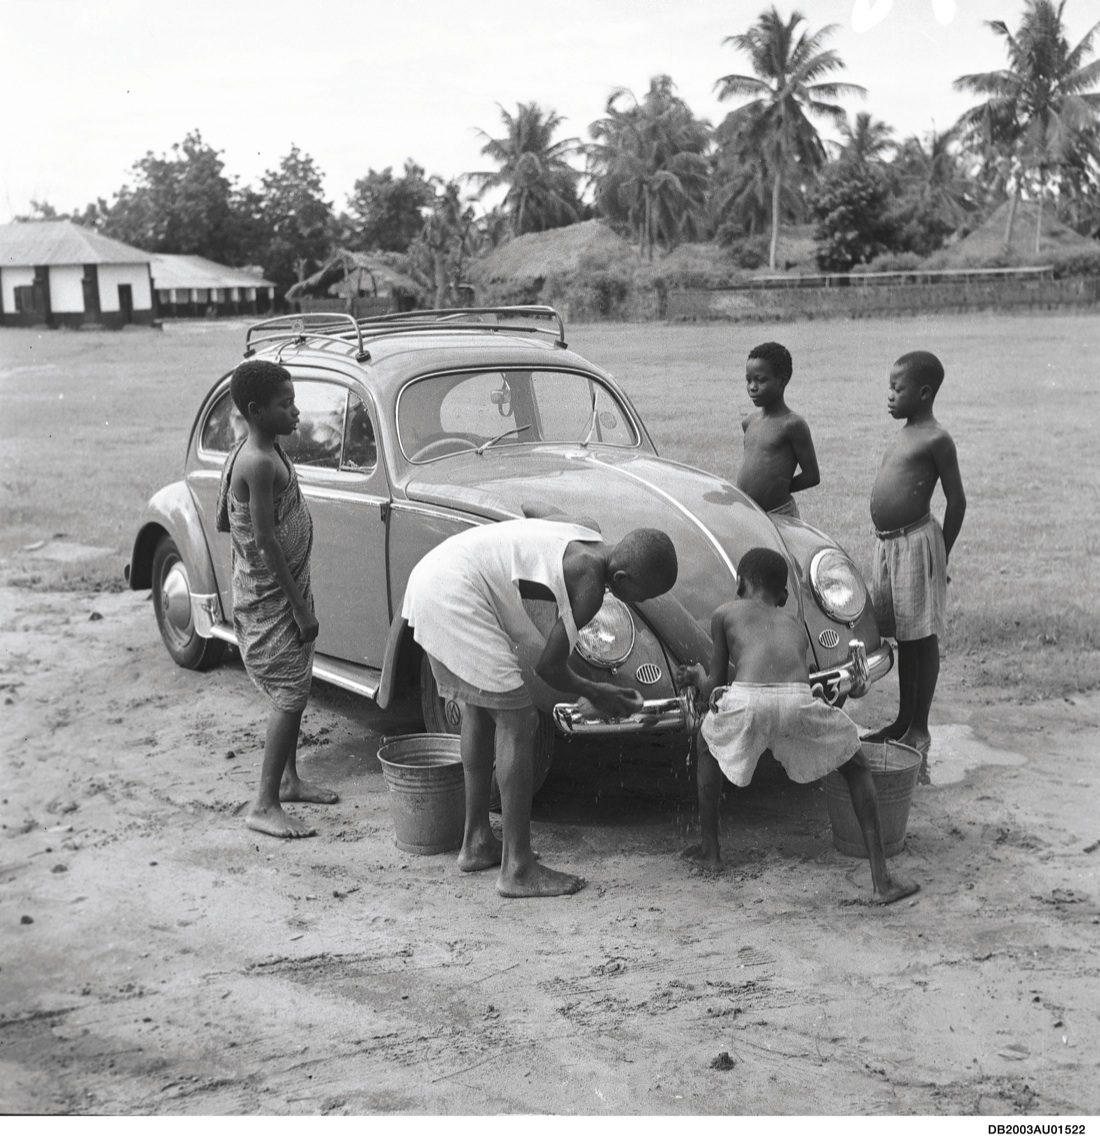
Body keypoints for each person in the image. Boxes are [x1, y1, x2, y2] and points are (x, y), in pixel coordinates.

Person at [402, 518, 678, 898]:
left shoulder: (586, 533)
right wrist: (598, 692)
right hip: (453, 592)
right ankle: (517, 868)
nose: (638, 603)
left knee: (480, 708)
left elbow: (532, 509)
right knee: (519, 719)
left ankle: (477, 841)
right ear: (624, 576)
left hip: (437, 573)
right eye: (641, 595)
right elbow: (548, 668)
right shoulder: (591, 584)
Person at [675, 548, 919, 904]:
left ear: (739, 584)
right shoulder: (793, 623)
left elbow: (717, 684)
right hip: (795, 700)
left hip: (748, 700)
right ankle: (881, 880)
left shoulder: (725, 613)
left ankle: (710, 850)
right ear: (784, 596)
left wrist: (697, 675)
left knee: (706, 744)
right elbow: (793, 679)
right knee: (857, 766)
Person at [215, 360, 337, 839]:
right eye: (285, 405)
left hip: (289, 588)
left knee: (298, 683)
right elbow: (263, 542)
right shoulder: (256, 462)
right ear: (255, 410)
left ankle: (288, 780)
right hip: (273, 600)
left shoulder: (271, 450)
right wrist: (299, 607)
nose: (296, 411)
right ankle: (263, 803)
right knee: (289, 695)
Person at [863, 350, 966, 758]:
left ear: (924, 394)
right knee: (906, 637)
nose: (889, 395)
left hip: (918, 546)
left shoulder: (937, 438)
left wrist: (941, 556)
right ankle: (903, 721)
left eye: (897, 388)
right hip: (890, 547)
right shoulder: (905, 431)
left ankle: (919, 728)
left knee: (922, 639)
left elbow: (957, 502)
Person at [735, 341, 820, 518]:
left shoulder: (792, 424)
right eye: (749, 380)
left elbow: (812, 475)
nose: (752, 387)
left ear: (783, 380)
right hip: (749, 514)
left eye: (760, 380)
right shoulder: (749, 423)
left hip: (780, 515)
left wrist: (778, 489)